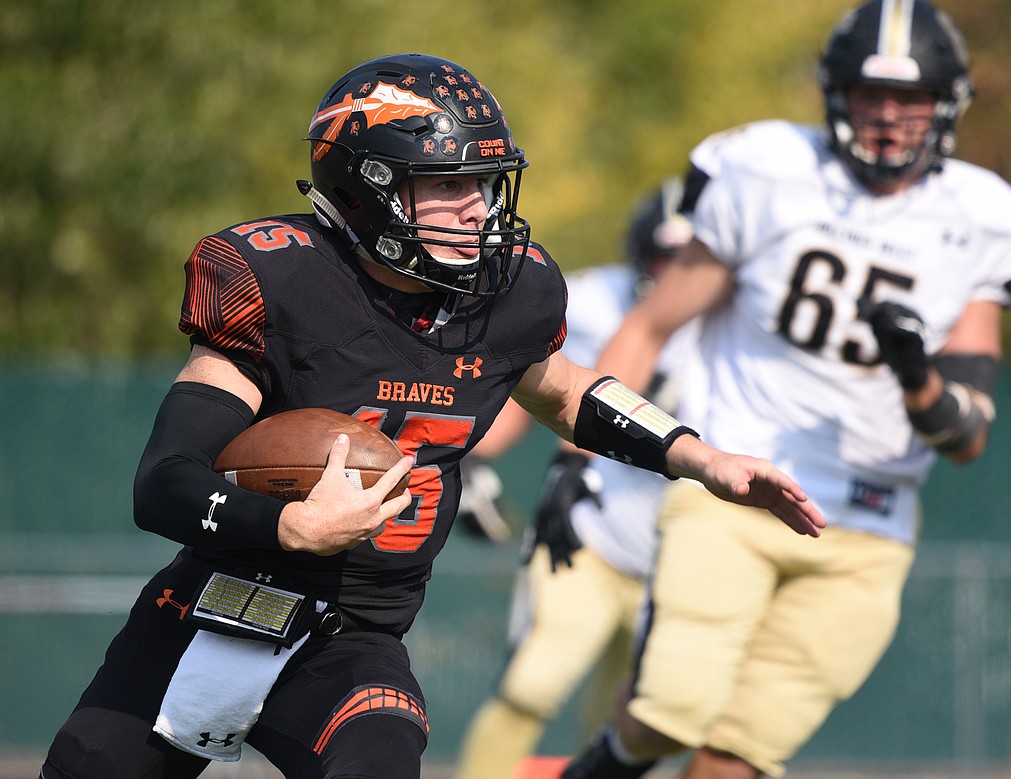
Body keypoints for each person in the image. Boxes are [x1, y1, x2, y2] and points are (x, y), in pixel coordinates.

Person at [39, 53, 825, 779]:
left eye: (484, 184)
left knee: (380, 754)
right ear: (367, 187)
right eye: (448, 184)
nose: (476, 208)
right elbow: (163, 483)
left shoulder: (511, 294)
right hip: (208, 602)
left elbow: (568, 391)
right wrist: (291, 527)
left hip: (349, 634)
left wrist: (699, 456)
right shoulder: (279, 279)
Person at [553, 2, 1011, 778]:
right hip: (736, 490)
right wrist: (574, 458)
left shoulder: (980, 219)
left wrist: (917, 377)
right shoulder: (768, 173)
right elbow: (650, 326)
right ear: (832, 93)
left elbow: (967, 436)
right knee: (665, 712)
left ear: (947, 107)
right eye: (869, 95)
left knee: (737, 755)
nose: (888, 119)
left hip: (867, 528)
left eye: (910, 99)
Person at [454, 179, 698, 779]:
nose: (672, 277)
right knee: (533, 683)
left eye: (685, 261)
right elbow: (528, 379)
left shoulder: (740, 319)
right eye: (664, 258)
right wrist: (474, 458)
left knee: (630, 721)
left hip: (685, 552)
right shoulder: (594, 300)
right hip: (589, 528)